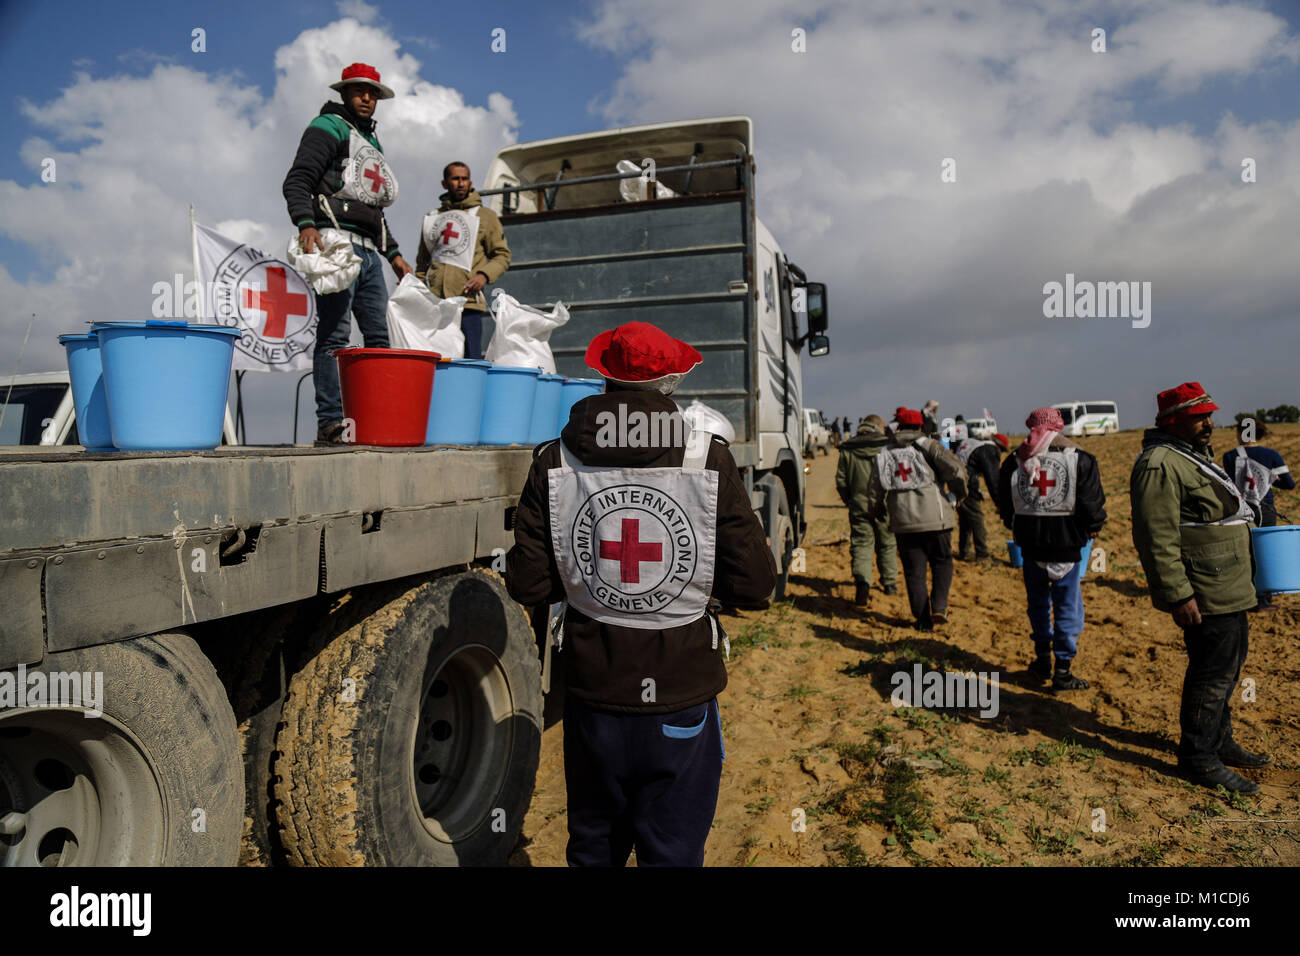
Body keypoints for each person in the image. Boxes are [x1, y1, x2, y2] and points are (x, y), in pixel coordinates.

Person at [505, 321, 776, 866]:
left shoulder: (554, 459)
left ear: (602, 377)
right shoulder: (708, 458)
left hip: (592, 697)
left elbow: (528, 583)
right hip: (681, 693)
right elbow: (755, 585)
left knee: (593, 849)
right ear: (670, 382)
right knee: (672, 851)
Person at [1130, 382, 1268, 794]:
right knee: (1210, 674)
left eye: (1209, 415)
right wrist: (1178, 595)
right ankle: (1198, 758)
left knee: (1229, 667)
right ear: (1174, 422)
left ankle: (1219, 740)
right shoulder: (1159, 464)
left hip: (1229, 584)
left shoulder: (1192, 455)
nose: (1209, 423)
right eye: (1198, 418)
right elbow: (1156, 537)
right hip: (1204, 590)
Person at [282, 62, 413, 445]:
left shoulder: (372, 143)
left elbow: (375, 208)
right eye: (359, 90)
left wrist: (394, 255)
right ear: (344, 93)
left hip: (372, 253)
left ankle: (378, 418)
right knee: (335, 335)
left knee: (378, 339)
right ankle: (332, 422)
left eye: (373, 92)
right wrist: (305, 223)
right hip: (336, 242)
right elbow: (298, 179)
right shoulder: (328, 127)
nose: (368, 98)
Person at [997, 408, 1106, 690]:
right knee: (1068, 605)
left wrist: (1012, 521)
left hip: (1029, 545)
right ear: (1059, 427)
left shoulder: (1013, 461)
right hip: (1067, 544)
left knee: (1038, 603)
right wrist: (1094, 525)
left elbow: (1004, 501)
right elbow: (1091, 501)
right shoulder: (1080, 459)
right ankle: (1063, 670)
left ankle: (1042, 660)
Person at [867, 407, 967, 630]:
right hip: (936, 518)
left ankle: (922, 621)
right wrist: (960, 493)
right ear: (921, 426)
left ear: (898, 427)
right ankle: (939, 607)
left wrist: (877, 510)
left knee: (914, 571)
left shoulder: (885, 452)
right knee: (942, 562)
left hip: (903, 522)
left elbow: (874, 488)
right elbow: (957, 471)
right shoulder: (929, 446)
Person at [415, 162, 511, 360]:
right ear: (444, 183)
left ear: (470, 182)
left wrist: (484, 276)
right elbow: (422, 264)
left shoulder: (485, 216)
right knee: (435, 360)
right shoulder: (432, 218)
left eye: (464, 179)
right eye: (455, 179)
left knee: (470, 361)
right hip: (436, 306)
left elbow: (502, 255)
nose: (460, 183)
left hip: (468, 303)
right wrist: (415, 289)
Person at [1223, 420, 1295, 611]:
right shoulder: (1271, 455)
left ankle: (1247, 597)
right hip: (1267, 509)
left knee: (1246, 552)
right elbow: (1290, 484)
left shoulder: (1230, 456)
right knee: (1265, 553)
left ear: (1240, 433)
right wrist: (1269, 480)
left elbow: (1230, 485)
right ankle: (1264, 600)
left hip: (1242, 510)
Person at [836, 414, 899, 605]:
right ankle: (890, 584)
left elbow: (841, 480)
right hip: (885, 505)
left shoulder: (849, 448)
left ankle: (863, 583)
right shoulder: (887, 446)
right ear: (880, 426)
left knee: (862, 545)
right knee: (887, 544)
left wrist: (851, 500)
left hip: (859, 505)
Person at [953, 429, 1003, 561]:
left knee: (965, 519)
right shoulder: (989, 450)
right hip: (966, 485)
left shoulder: (973, 443)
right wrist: (999, 503)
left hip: (956, 482)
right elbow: (992, 480)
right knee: (977, 518)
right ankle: (982, 554)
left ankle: (964, 551)